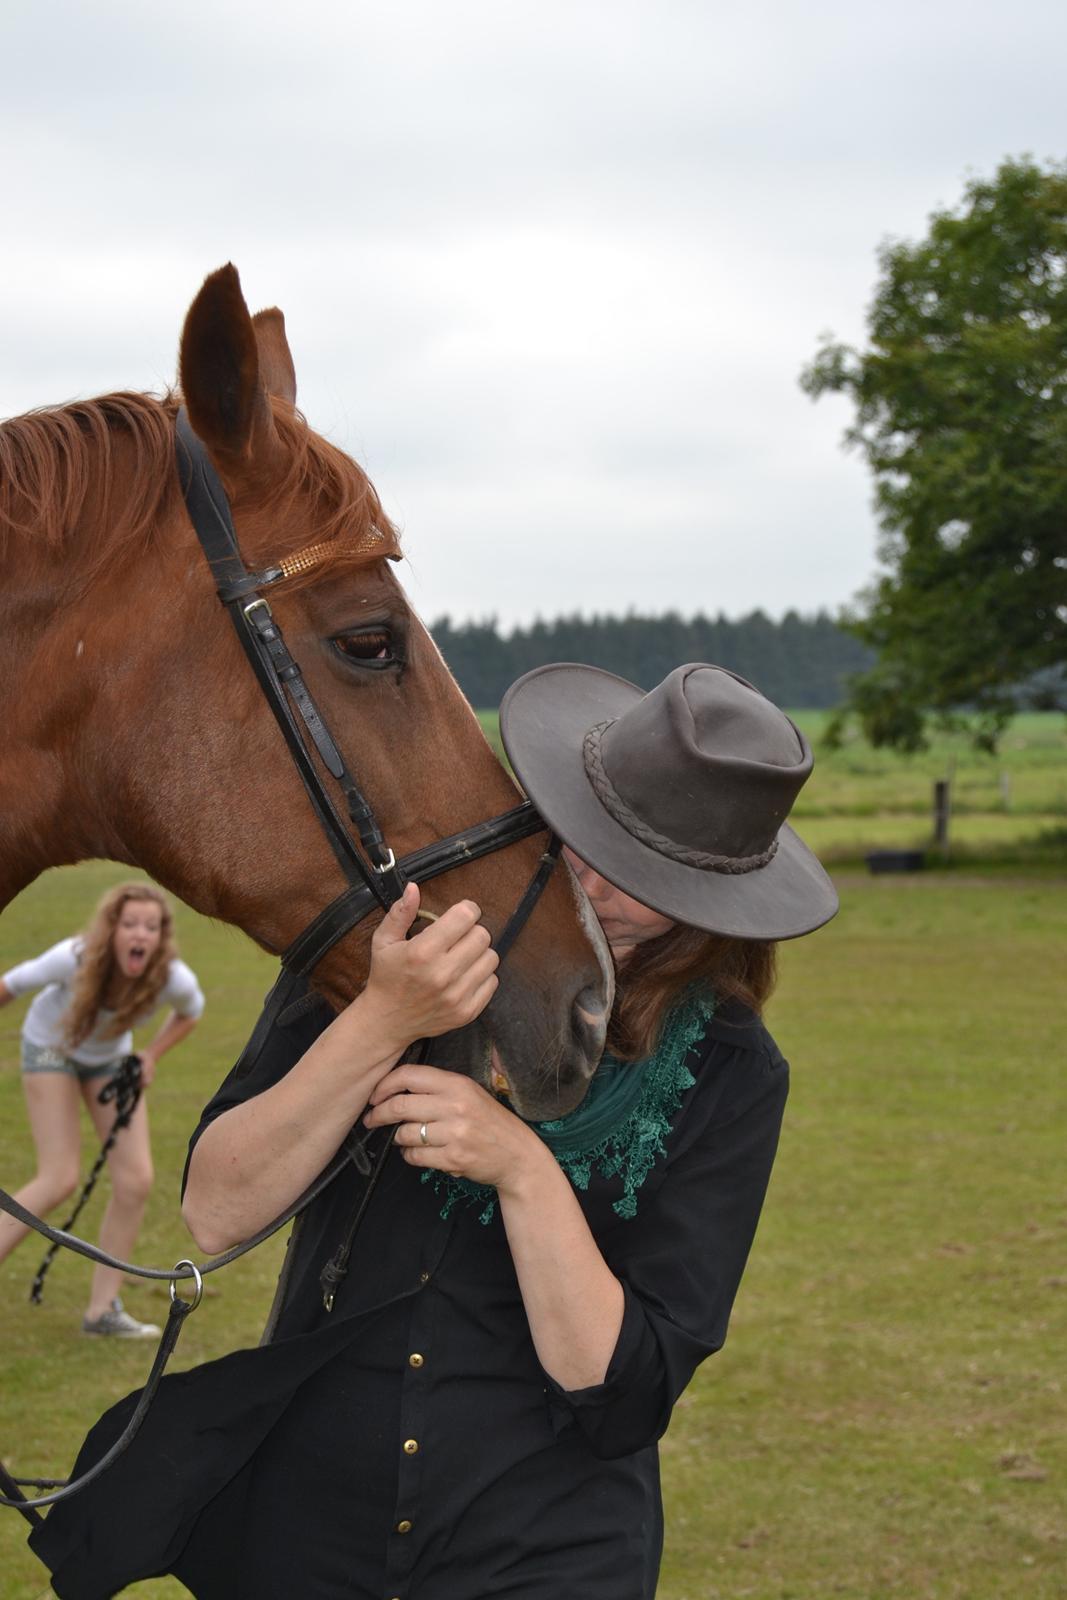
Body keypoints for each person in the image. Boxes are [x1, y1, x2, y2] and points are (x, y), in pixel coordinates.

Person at [31, 664, 837, 1599]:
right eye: (586, 838)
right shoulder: (395, 950)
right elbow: (216, 1210)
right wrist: (383, 1017)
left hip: (545, 1546)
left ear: (712, 899)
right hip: (306, 1526)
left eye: (643, 876)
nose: (594, 881)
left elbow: (620, 1393)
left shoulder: (732, 1070)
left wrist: (521, 1171)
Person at [0, 882, 204, 1338]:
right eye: (130, 923)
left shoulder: (170, 977)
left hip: (108, 1061)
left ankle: (101, 1312)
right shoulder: (73, 957)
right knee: (58, 1177)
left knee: (136, 1181)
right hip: (50, 1049)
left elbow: (192, 1011)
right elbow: (11, 985)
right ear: (111, 929)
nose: (141, 935)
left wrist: (150, 1055)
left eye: (151, 927)